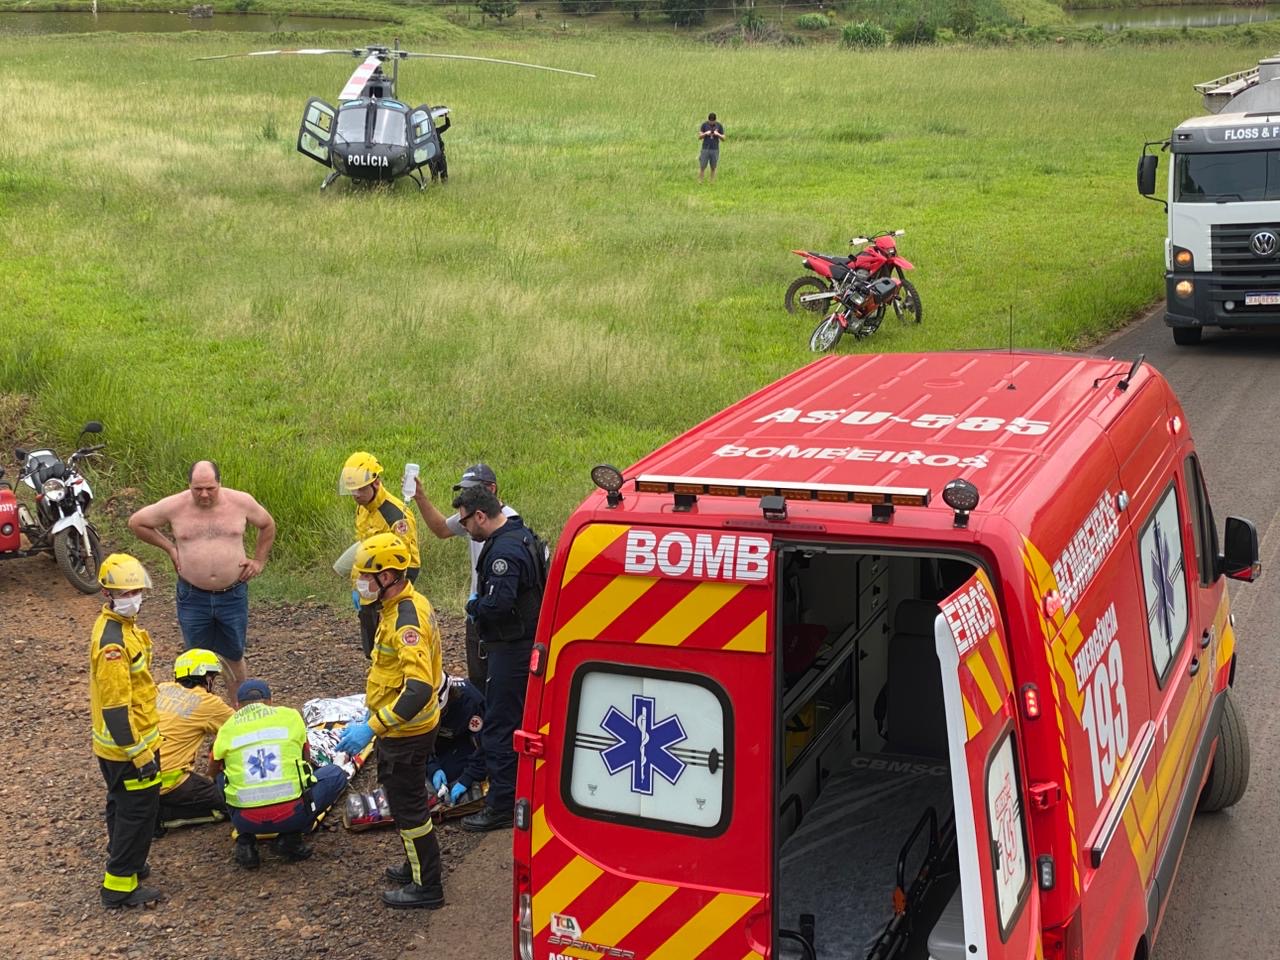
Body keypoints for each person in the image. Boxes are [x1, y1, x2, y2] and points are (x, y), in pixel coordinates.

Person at [335, 533, 446, 908]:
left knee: (409, 807)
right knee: (404, 804)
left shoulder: (405, 622)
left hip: (406, 732)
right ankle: (415, 864)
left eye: (366, 576)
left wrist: (372, 726)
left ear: (387, 576)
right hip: (401, 728)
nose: (360, 583)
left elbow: (418, 690)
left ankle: (426, 886)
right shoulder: (398, 604)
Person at [128, 460, 276, 699]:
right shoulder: (175, 505)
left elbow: (267, 525)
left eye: (210, 488)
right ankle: (201, 715)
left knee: (234, 655)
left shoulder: (241, 502)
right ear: (189, 486)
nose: (204, 494)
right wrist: (169, 547)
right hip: (193, 594)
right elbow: (137, 522)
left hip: (232, 594)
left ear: (220, 483)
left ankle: (236, 713)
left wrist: (259, 561)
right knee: (196, 657)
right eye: (198, 489)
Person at [451, 485, 544, 832]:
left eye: (465, 522)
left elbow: (499, 604)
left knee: (500, 725)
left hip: (511, 647)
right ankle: (523, 792)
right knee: (520, 719)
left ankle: (503, 805)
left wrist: (475, 606)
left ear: (480, 516)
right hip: (525, 645)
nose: (464, 529)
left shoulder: (503, 550)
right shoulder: (521, 535)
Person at [211, 679, 348, 869]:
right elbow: (305, 759)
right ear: (270, 701)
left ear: (237, 706)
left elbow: (212, 769)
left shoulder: (226, 728)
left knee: (220, 776)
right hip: (293, 815)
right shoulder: (290, 717)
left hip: (246, 821)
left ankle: (246, 842)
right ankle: (290, 839)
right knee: (335, 774)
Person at [90, 553, 163, 908]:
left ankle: (128, 862)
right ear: (107, 594)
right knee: (138, 811)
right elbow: (117, 709)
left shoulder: (123, 627)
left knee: (121, 806)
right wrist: (140, 754)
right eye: (125, 592)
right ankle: (119, 886)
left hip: (120, 747)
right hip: (129, 747)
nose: (133, 597)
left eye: (136, 590)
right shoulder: (114, 643)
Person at [411, 463, 521, 688]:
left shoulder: (507, 524)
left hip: (501, 614)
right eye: (463, 491)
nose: (465, 496)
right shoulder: (473, 516)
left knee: (500, 682)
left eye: (471, 490)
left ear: (491, 489)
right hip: (478, 610)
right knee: (479, 676)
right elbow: (441, 529)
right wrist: (420, 497)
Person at [339, 452, 420, 658]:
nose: (356, 495)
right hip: (367, 590)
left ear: (375, 483)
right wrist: (358, 586)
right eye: (352, 490)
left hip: (384, 596)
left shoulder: (396, 516)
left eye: (360, 489)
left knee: (390, 652)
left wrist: (388, 599)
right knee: (372, 651)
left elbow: (410, 565)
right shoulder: (363, 508)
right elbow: (364, 547)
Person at [155, 648, 233, 828]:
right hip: (171, 783)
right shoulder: (208, 703)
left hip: (140, 778)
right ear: (207, 678)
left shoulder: (162, 688)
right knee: (235, 803)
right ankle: (165, 815)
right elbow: (242, 728)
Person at [427, 672, 487, 807]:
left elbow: (487, 745)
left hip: (466, 743)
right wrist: (432, 767)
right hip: (442, 744)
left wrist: (468, 777)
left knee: (456, 775)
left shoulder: (471, 703)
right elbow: (418, 742)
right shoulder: (419, 701)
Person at [698, 112, 725, 183]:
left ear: (715, 120)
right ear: (708, 120)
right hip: (705, 149)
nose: (711, 123)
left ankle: (712, 182)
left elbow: (723, 138)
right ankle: (700, 181)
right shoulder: (704, 125)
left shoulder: (719, 126)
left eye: (713, 121)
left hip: (715, 149)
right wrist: (705, 133)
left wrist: (718, 134)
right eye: (710, 122)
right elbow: (699, 137)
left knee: (713, 166)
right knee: (702, 166)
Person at [431, 112, 450, 183]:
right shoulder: (427, 135)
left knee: (443, 169)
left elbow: (447, 125)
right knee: (434, 172)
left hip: (440, 153)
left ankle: (444, 181)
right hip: (432, 156)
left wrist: (446, 117)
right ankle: (435, 183)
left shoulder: (437, 130)